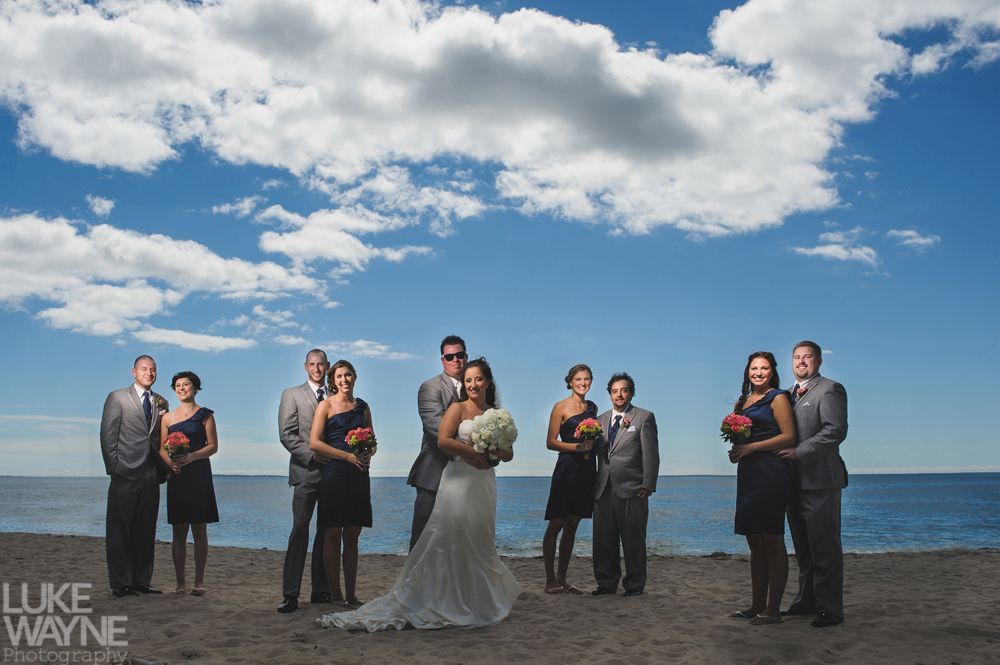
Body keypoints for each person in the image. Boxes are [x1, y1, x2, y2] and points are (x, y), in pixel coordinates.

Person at [317, 357, 522, 631]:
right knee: (451, 536)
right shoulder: (457, 409)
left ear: (488, 382)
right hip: (459, 479)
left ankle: (477, 598)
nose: (473, 384)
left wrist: (494, 452)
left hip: (483, 482)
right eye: (468, 380)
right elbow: (444, 440)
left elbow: (508, 453)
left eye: (478, 379)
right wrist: (474, 451)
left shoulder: (496, 415)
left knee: (480, 537)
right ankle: (444, 597)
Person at [776, 341, 849, 628]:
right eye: (797, 357)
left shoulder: (830, 389)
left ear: (818, 361)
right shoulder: (786, 395)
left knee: (825, 549)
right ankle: (806, 601)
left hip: (820, 481)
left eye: (807, 357)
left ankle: (830, 609)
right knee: (803, 550)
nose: (801, 361)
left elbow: (835, 431)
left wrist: (800, 452)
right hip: (792, 483)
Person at [725, 352, 796, 625]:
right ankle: (757, 604)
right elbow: (740, 438)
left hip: (771, 471)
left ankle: (774, 610)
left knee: (772, 539)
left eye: (764, 368)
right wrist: (737, 452)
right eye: (754, 368)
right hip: (749, 474)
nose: (758, 372)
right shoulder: (742, 402)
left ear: (772, 371)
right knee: (754, 540)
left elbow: (789, 436)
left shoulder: (778, 397)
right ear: (747, 371)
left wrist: (750, 448)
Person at [99, 354, 169, 597]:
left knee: (146, 529)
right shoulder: (117, 397)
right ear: (134, 372)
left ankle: (141, 581)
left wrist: (165, 468)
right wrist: (115, 468)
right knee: (119, 530)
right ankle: (120, 584)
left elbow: (160, 439)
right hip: (124, 473)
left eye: (152, 369)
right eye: (144, 369)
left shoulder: (162, 402)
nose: (149, 373)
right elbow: (108, 436)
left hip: (151, 473)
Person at [309, 359, 374, 609]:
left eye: (348, 375)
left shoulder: (363, 407)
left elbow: (372, 438)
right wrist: (346, 455)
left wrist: (369, 452)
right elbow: (314, 442)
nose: (344, 380)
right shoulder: (325, 406)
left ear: (354, 377)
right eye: (339, 376)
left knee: (353, 536)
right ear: (332, 381)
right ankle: (335, 594)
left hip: (359, 474)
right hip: (335, 474)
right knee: (333, 533)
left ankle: (352, 594)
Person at [592, 372, 659, 597]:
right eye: (614, 391)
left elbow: (651, 454)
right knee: (603, 539)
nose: (619, 395)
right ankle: (606, 583)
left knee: (633, 539)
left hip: (632, 488)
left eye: (624, 390)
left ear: (631, 392)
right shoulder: (599, 420)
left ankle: (634, 584)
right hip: (603, 489)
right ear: (609, 394)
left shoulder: (644, 417)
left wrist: (648, 484)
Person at [276, 349, 332, 613]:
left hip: (333, 474)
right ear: (305, 367)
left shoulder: (336, 396)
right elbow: (287, 434)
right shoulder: (292, 394)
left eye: (321, 364)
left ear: (328, 366)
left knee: (326, 532)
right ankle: (290, 594)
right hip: (305, 471)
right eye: (312, 364)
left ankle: (321, 591)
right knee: (300, 530)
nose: (317, 368)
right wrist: (313, 456)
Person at [159, 371, 219, 596]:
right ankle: (180, 583)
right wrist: (170, 465)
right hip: (178, 475)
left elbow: (213, 446)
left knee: (199, 528)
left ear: (195, 388)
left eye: (186, 385)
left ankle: (199, 582)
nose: (182, 388)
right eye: (178, 385)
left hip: (199, 473)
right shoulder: (167, 418)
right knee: (179, 529)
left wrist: (193, 456)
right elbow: (162, 448)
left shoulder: (205, 415)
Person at [406, 334, 467, 550]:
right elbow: (437, 428)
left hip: (468, 478)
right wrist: (474, 447)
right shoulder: (430, 387)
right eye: (450, 357)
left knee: (458, 541)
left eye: (459, 355)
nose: (455, 360)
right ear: (443, 360)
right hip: (434, 474)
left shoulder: (476, 387)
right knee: (422, 541)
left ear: (465, 356)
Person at [541, 363, 598, 594]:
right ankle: (549, 580)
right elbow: (550, 442)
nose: (583, 383)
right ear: (570, 382)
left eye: (586, 379)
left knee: (573, 524)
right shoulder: (560, 407)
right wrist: (576, 447)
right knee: (557, 523)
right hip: (567, 469)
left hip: (587, 470)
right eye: (578, 380)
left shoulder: (592, 408)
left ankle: (563, 579)